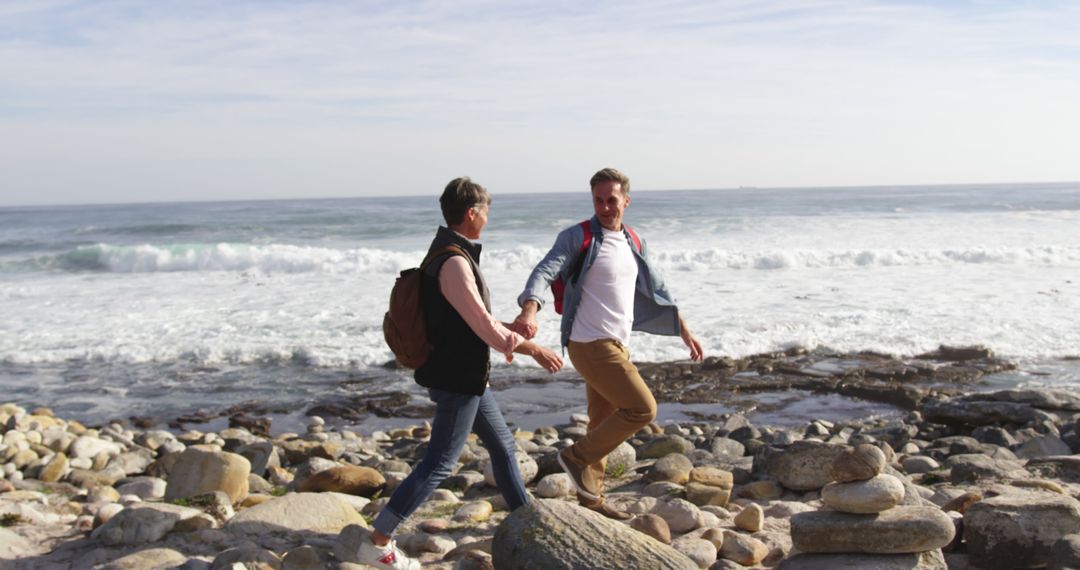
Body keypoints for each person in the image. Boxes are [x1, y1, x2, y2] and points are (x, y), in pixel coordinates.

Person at [358, 177, 563, 570]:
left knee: (502, 447)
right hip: (457, 378)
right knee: (439, 462)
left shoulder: (449, 255)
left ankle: (528, 520)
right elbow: (482, 325)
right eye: (486, 210)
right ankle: (379, 540)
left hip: (467, 375)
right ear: (472, 213)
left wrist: (510, 332)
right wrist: (531, 348)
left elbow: (472, 320)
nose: (488, 217)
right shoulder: (453, 261)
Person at [511, 167, 703, 520]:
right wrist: (529, 311)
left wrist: (684, 330)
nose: (604, 207)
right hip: (588, 343)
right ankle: (573, 458)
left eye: (611, 200)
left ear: (626, 201)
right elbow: (544, 271)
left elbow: (658, 289)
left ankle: (592, 501)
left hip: (617, 344)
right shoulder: (578, 237)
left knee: (600, 424)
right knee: (643, 409)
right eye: (598, 200)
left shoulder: (634, 241)